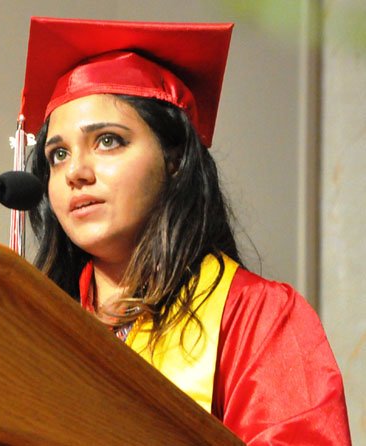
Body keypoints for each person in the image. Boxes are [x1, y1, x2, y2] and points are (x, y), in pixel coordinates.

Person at [17, 17, 351, 444]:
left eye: (107, 141)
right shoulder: (37, 325)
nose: (75, 172)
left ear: (175, 160)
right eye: (58, 154)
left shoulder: (256, 316)